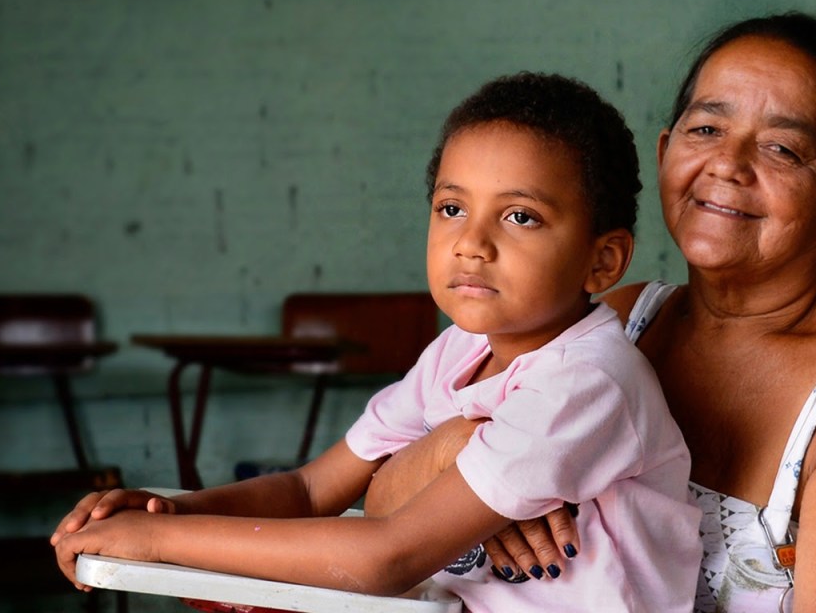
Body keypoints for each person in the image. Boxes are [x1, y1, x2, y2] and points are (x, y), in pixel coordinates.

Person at [363, 13, 816, 612]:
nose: (727, 163)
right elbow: (384, 505)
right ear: (665, 152)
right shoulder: (618, 322)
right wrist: (461, 452)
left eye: (782, 148)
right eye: (705, 129)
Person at [50, 71, 702, 612]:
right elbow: (310, 491)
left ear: (604, 262)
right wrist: (171, 515)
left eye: (520, 216)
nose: (470, 243)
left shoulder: (585, 380)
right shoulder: (456, 352)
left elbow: (386, 556)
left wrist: (159, 544)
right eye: (452, 208)